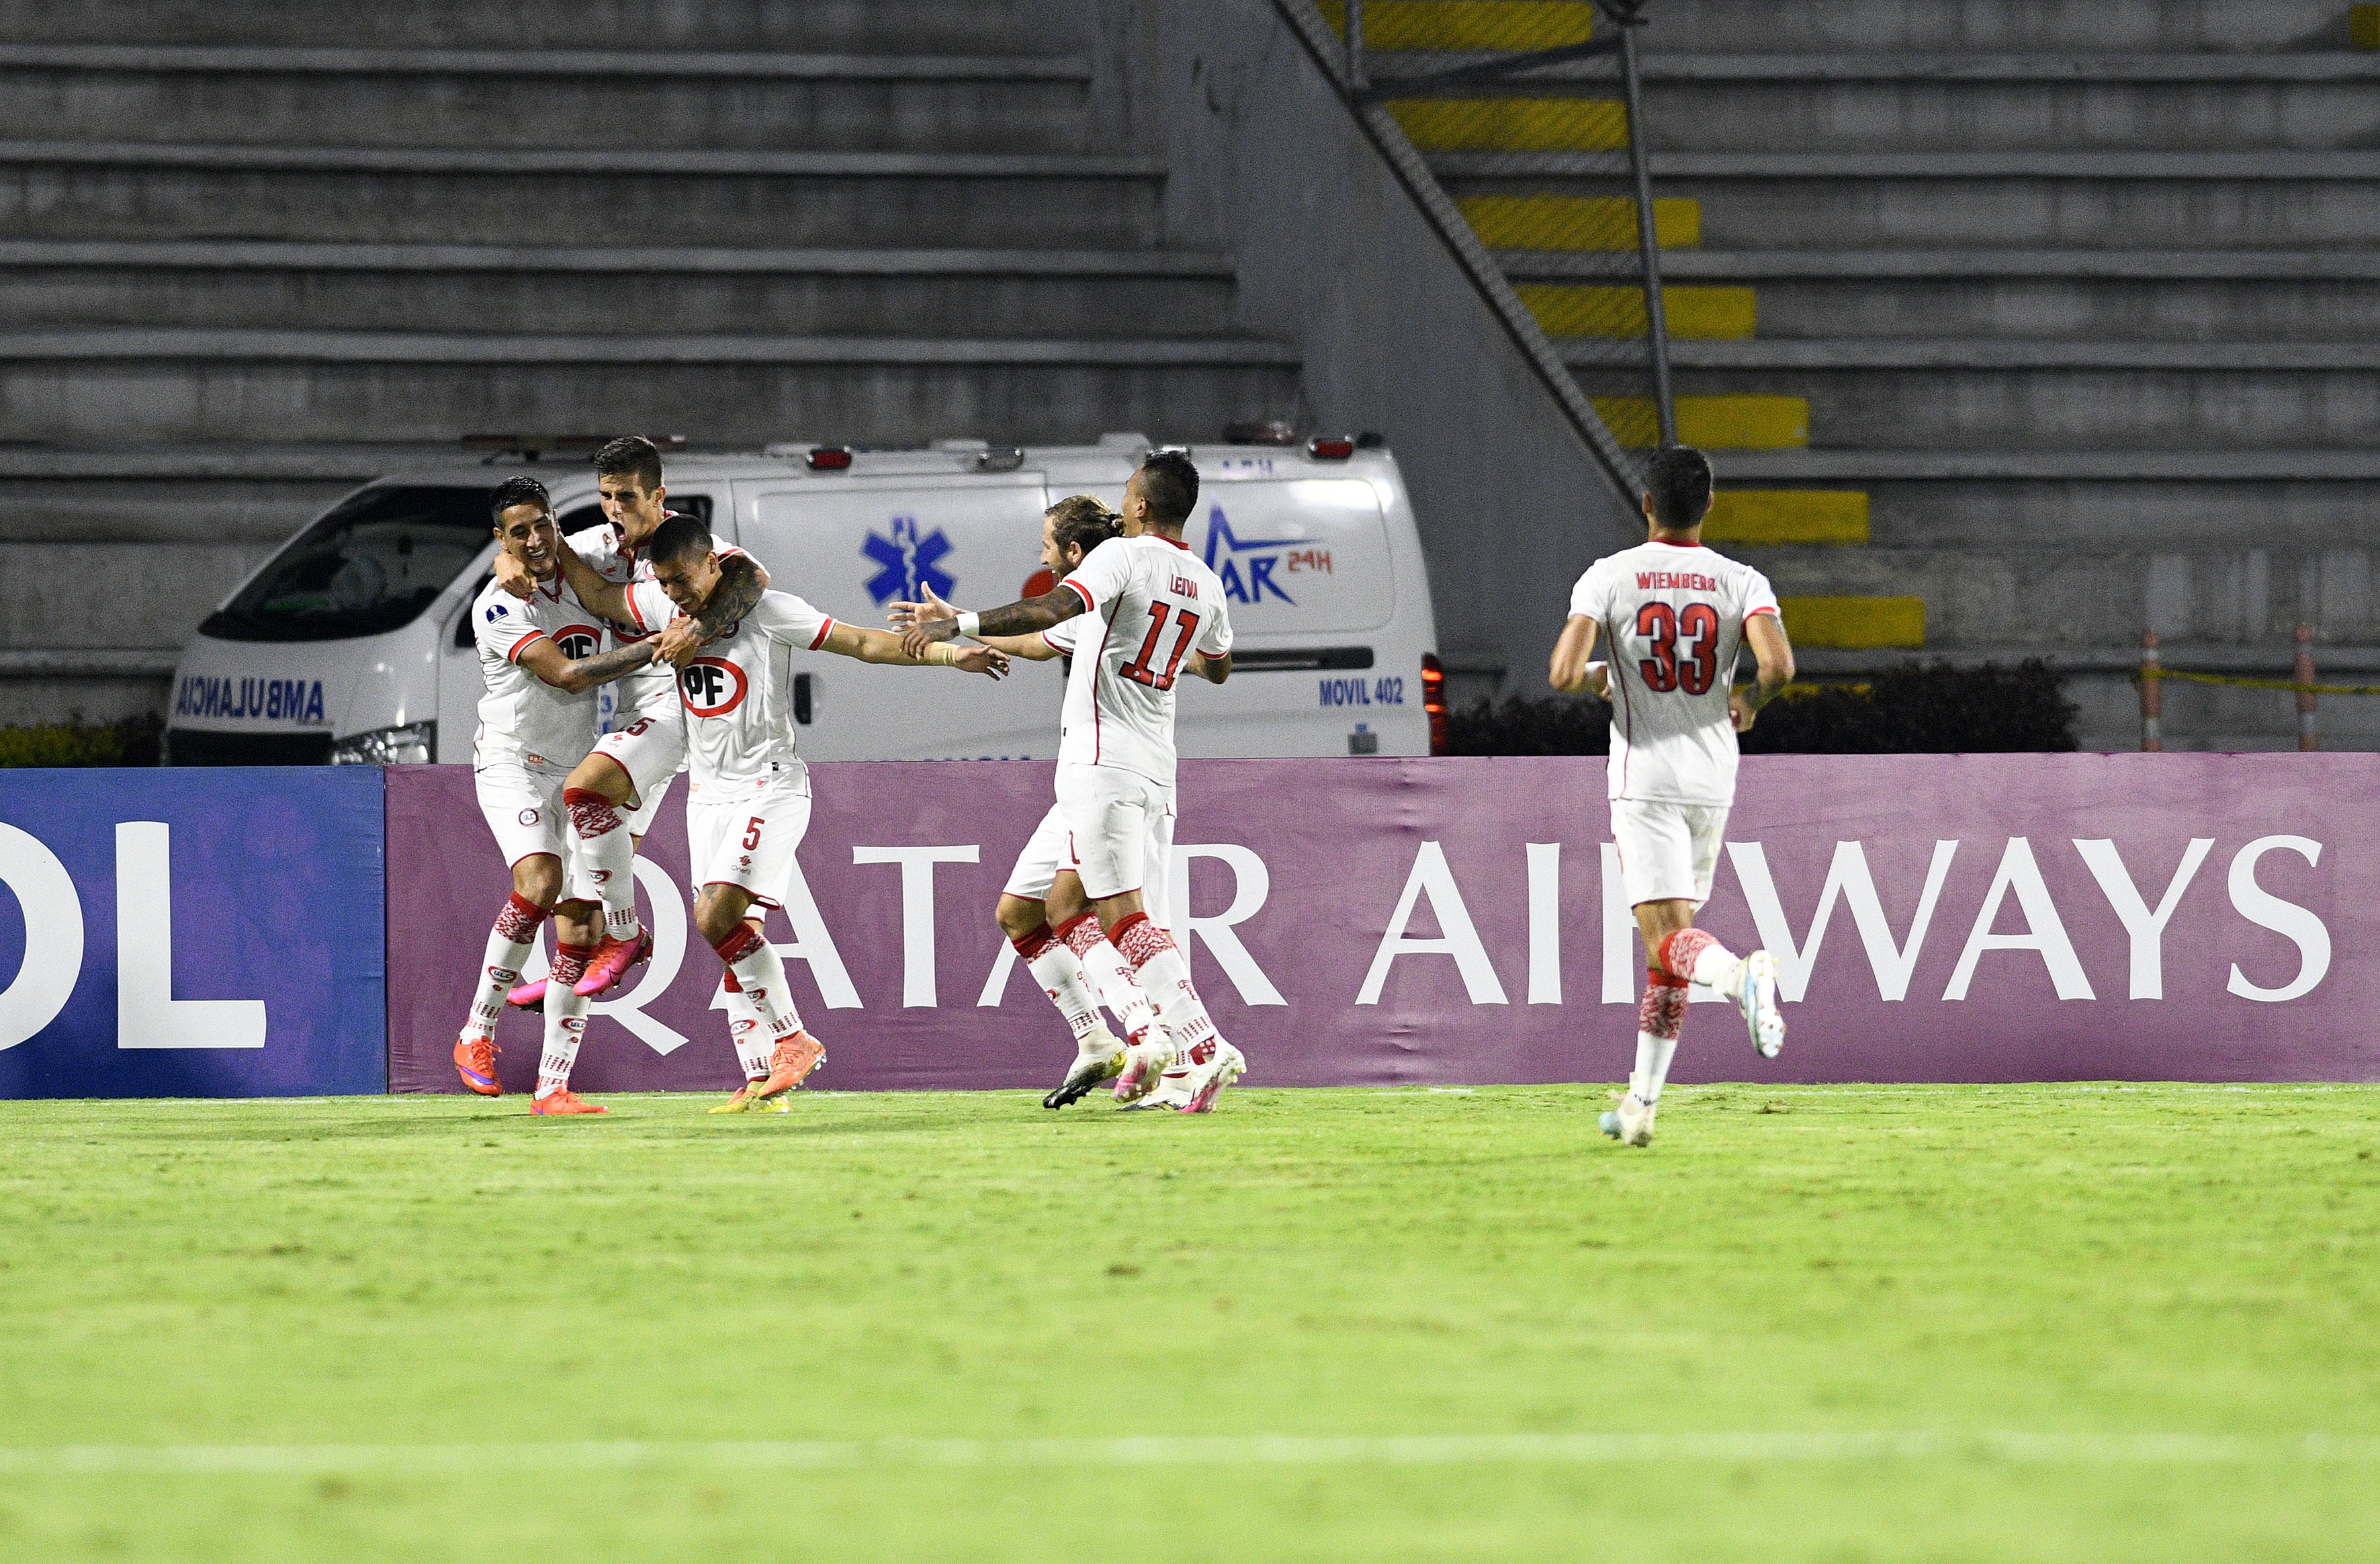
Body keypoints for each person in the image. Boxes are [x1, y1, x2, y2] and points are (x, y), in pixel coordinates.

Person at [556, 512, 1010, 1111]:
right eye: (664, 583)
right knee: (736, 936)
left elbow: (863, 643)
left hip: (768, 787)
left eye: (683, 578)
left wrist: (953, 657)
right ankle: (761, 1081)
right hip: (707, 797)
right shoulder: (667, 613)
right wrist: (546, 543)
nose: (675, 593)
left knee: (715, 916)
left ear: (714, 562)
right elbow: (600, 594)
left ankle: (794, 1040)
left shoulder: (767, 610)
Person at [900, 452, 1245, 1113]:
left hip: (1101, 765)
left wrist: (959, 625)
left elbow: (1053, 606)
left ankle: (1202, 1046)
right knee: (1044, 909)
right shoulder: (1203, 581)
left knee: (1119, 917)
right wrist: (1164, 656)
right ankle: (1158, 1053)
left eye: (1127, 491)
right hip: (1151, 768)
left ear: (1142, 506)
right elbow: (1219, 666)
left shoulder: (1119, 560)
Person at [1548, 444, 1795, 1148]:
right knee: (1667, 952)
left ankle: (1742, 976)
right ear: (1709, 505)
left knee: (1672, 943)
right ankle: (1642, 1106)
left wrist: (1604, 677)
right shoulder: (1741, 579)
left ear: (1646, 504)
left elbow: (1563, 672)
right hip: (1714, 773)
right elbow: (1778, 664)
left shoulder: (1610, 575)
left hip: (1646, 778)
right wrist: (1748, 698)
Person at [490, 435, 768, 1009]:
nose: (614, 509)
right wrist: (506, 559)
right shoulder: (594, 545)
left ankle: (623, 937)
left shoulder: (689, 547)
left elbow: (752, 579)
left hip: (678, 714)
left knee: (583, 794)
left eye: (626, 496)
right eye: (605, 496)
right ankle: (563, 1042)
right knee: (585, 878)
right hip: (637, 722)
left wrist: (695, 628)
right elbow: (543, 547)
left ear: (657, 495)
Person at [454, 476, 668, 1114]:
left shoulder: (581, 566)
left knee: (579, 922)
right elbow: (567, 676)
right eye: (517, 533)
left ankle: (552, 1087)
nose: (535, 539)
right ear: (502, 540)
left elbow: (645, 536)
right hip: (512, 762)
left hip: (575, 765)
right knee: (541, 882)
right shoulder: (498, 605)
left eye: (542, 524)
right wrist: (658, 648)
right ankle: (476, 1032)